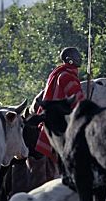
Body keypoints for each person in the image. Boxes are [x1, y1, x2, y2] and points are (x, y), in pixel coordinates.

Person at [32, 47, 84, 182]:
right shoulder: (67, 76)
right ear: (70, 59)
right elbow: (78, 103)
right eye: (77, 56)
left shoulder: (61, 73)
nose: (80, 58)